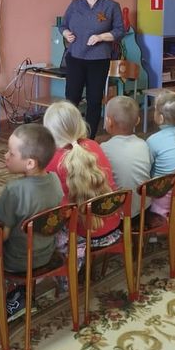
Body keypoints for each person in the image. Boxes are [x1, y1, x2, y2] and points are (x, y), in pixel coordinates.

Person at [0, 123, 62, 319]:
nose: (5, 156)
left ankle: (6, 300)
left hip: (17, 262)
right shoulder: (55, 179)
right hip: (47, 253)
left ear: (30, 163)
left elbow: (3, 236)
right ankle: (22, 292)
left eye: (11, 153)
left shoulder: (14, 190)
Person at [43, 101, 121, 263]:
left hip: (78, 236)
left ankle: (67, 269)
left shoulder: (51, 160)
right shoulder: (94, 146)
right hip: (112, 227)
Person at [60, 0, 125, 138]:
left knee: (94, 100)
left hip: (98, 61)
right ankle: (69, 137)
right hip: (75, 58)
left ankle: (89, 139)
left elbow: (119, 31)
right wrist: (66, 33)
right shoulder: (75, 5)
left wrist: (101, 37)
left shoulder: (111, 6)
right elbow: (63, 25)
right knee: (71, 99)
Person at [101, 96, 151, 221]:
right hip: (144, 209)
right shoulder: (143, 145)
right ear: (138, 121)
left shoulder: (104, 149)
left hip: (118, 214)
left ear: (109, 122)